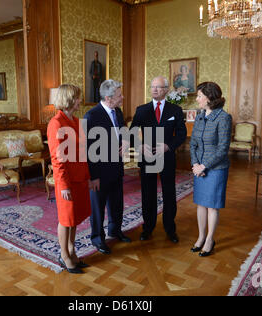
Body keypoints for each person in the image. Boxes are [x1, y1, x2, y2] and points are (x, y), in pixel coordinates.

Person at [130, 76, 187, 243]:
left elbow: (182, 134)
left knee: (169, 194)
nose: (154, 89)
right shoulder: (142, 110)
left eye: (158, 87)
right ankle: (147, 228)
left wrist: (168, 146)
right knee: (148, 194)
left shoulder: (175, 110)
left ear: (166, 90)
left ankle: (170, 229)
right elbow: (132, 132)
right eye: (152, 86)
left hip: (167, 157)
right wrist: (139, 146)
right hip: (147, 158)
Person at [47, 84, 91, 274]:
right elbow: (57, 159)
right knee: (66, 219)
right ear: (69, 99)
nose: (80, 101)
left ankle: (72, 250)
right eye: (78, 97)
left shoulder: (76, 120)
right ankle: (64, 255)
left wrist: (87, 176)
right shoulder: (56, 123)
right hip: (66, 181)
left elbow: (83, 153)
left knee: (75, 218)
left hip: (80, 178)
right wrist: (63, 185)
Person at [84, 79, 131, 255]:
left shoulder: (118, 111)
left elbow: (125, 131)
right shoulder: (92, 116)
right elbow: (88, 150)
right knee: (97, 207)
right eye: (119, 95)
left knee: (117, 202)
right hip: (99, 172)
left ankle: (115, 230)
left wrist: (126, 141)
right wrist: (93, 176)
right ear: (108, 98)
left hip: (116, 167)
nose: (122, 97)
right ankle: (98, 239)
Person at [190, 81, 232, 257]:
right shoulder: (199, 116)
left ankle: (209, 239)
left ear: (209, 98)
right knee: (200, 204)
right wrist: (194, 164)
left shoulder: (223, 118)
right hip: (198, 168)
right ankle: (200, 237)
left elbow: (223, 148)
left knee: (212, 206)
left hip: (215, 169)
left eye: (200, 96)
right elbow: (192, 143)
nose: (197, 99)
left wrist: (204, 166)